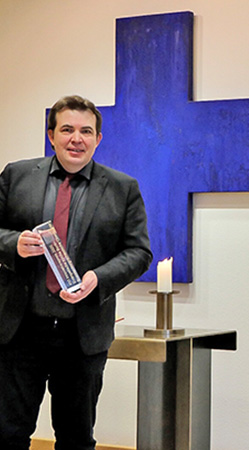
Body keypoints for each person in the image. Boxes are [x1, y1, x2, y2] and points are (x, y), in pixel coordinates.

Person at [0, 95, 152, 449]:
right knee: (8, 435)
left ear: (98, 139)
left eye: (86, 131)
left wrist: (99, 279)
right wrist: (13, 244)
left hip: (82, 335)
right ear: (51, 135)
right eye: (67, 129)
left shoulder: (123, 188)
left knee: (76, 439)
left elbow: (139, 252)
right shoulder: (16, 175)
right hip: (19, 331)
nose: (76, 139)